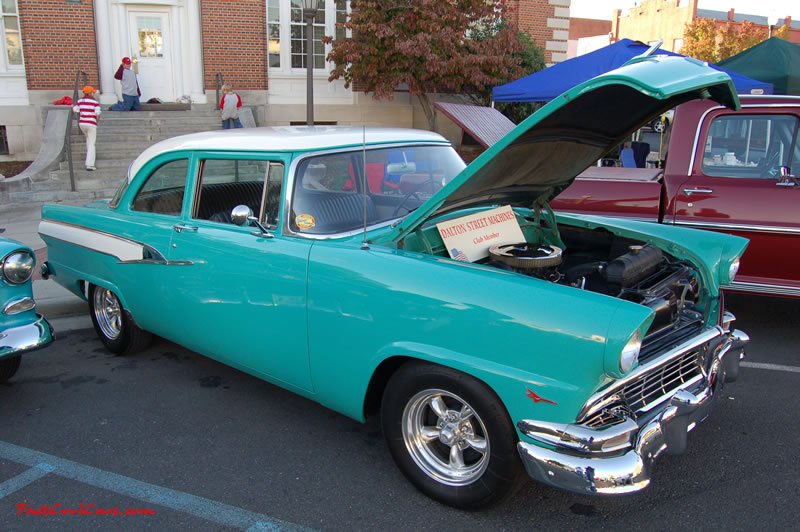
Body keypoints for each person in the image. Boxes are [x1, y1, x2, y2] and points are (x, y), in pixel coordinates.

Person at [72, 85, 101, 171]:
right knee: (92, 143)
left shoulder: (80, 101)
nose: (93, 93)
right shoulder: (95, 102)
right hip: (91, 124)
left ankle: (89, 158)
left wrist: (72, 106)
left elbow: (75, 109)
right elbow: (98, 114)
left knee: (88, 140)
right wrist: (96, 122)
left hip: (82, 123)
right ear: (90, 93)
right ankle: (90, 164)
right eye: (93, 92)